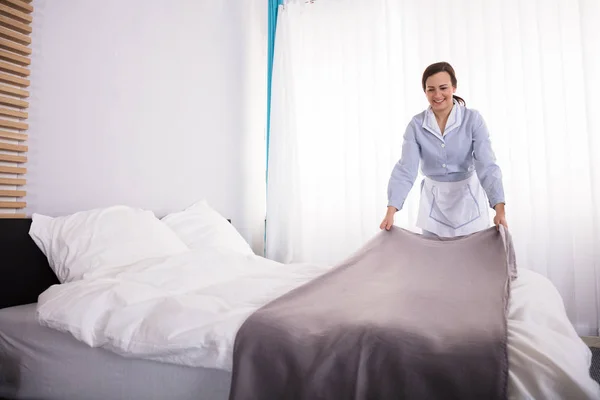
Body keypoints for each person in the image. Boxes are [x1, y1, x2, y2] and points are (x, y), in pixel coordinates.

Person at [380, 61, 508, 237]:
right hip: (434, 207)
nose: (437, 94)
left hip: (468, 203)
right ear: (424, 91)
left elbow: (487, 164)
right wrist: (391, 210)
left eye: (443, 88)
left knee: (470, 261)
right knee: (436, 262)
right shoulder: (416, 125)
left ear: (454, 88)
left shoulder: (472, 120)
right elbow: (405, 170)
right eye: (431, 89)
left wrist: (499, 208)